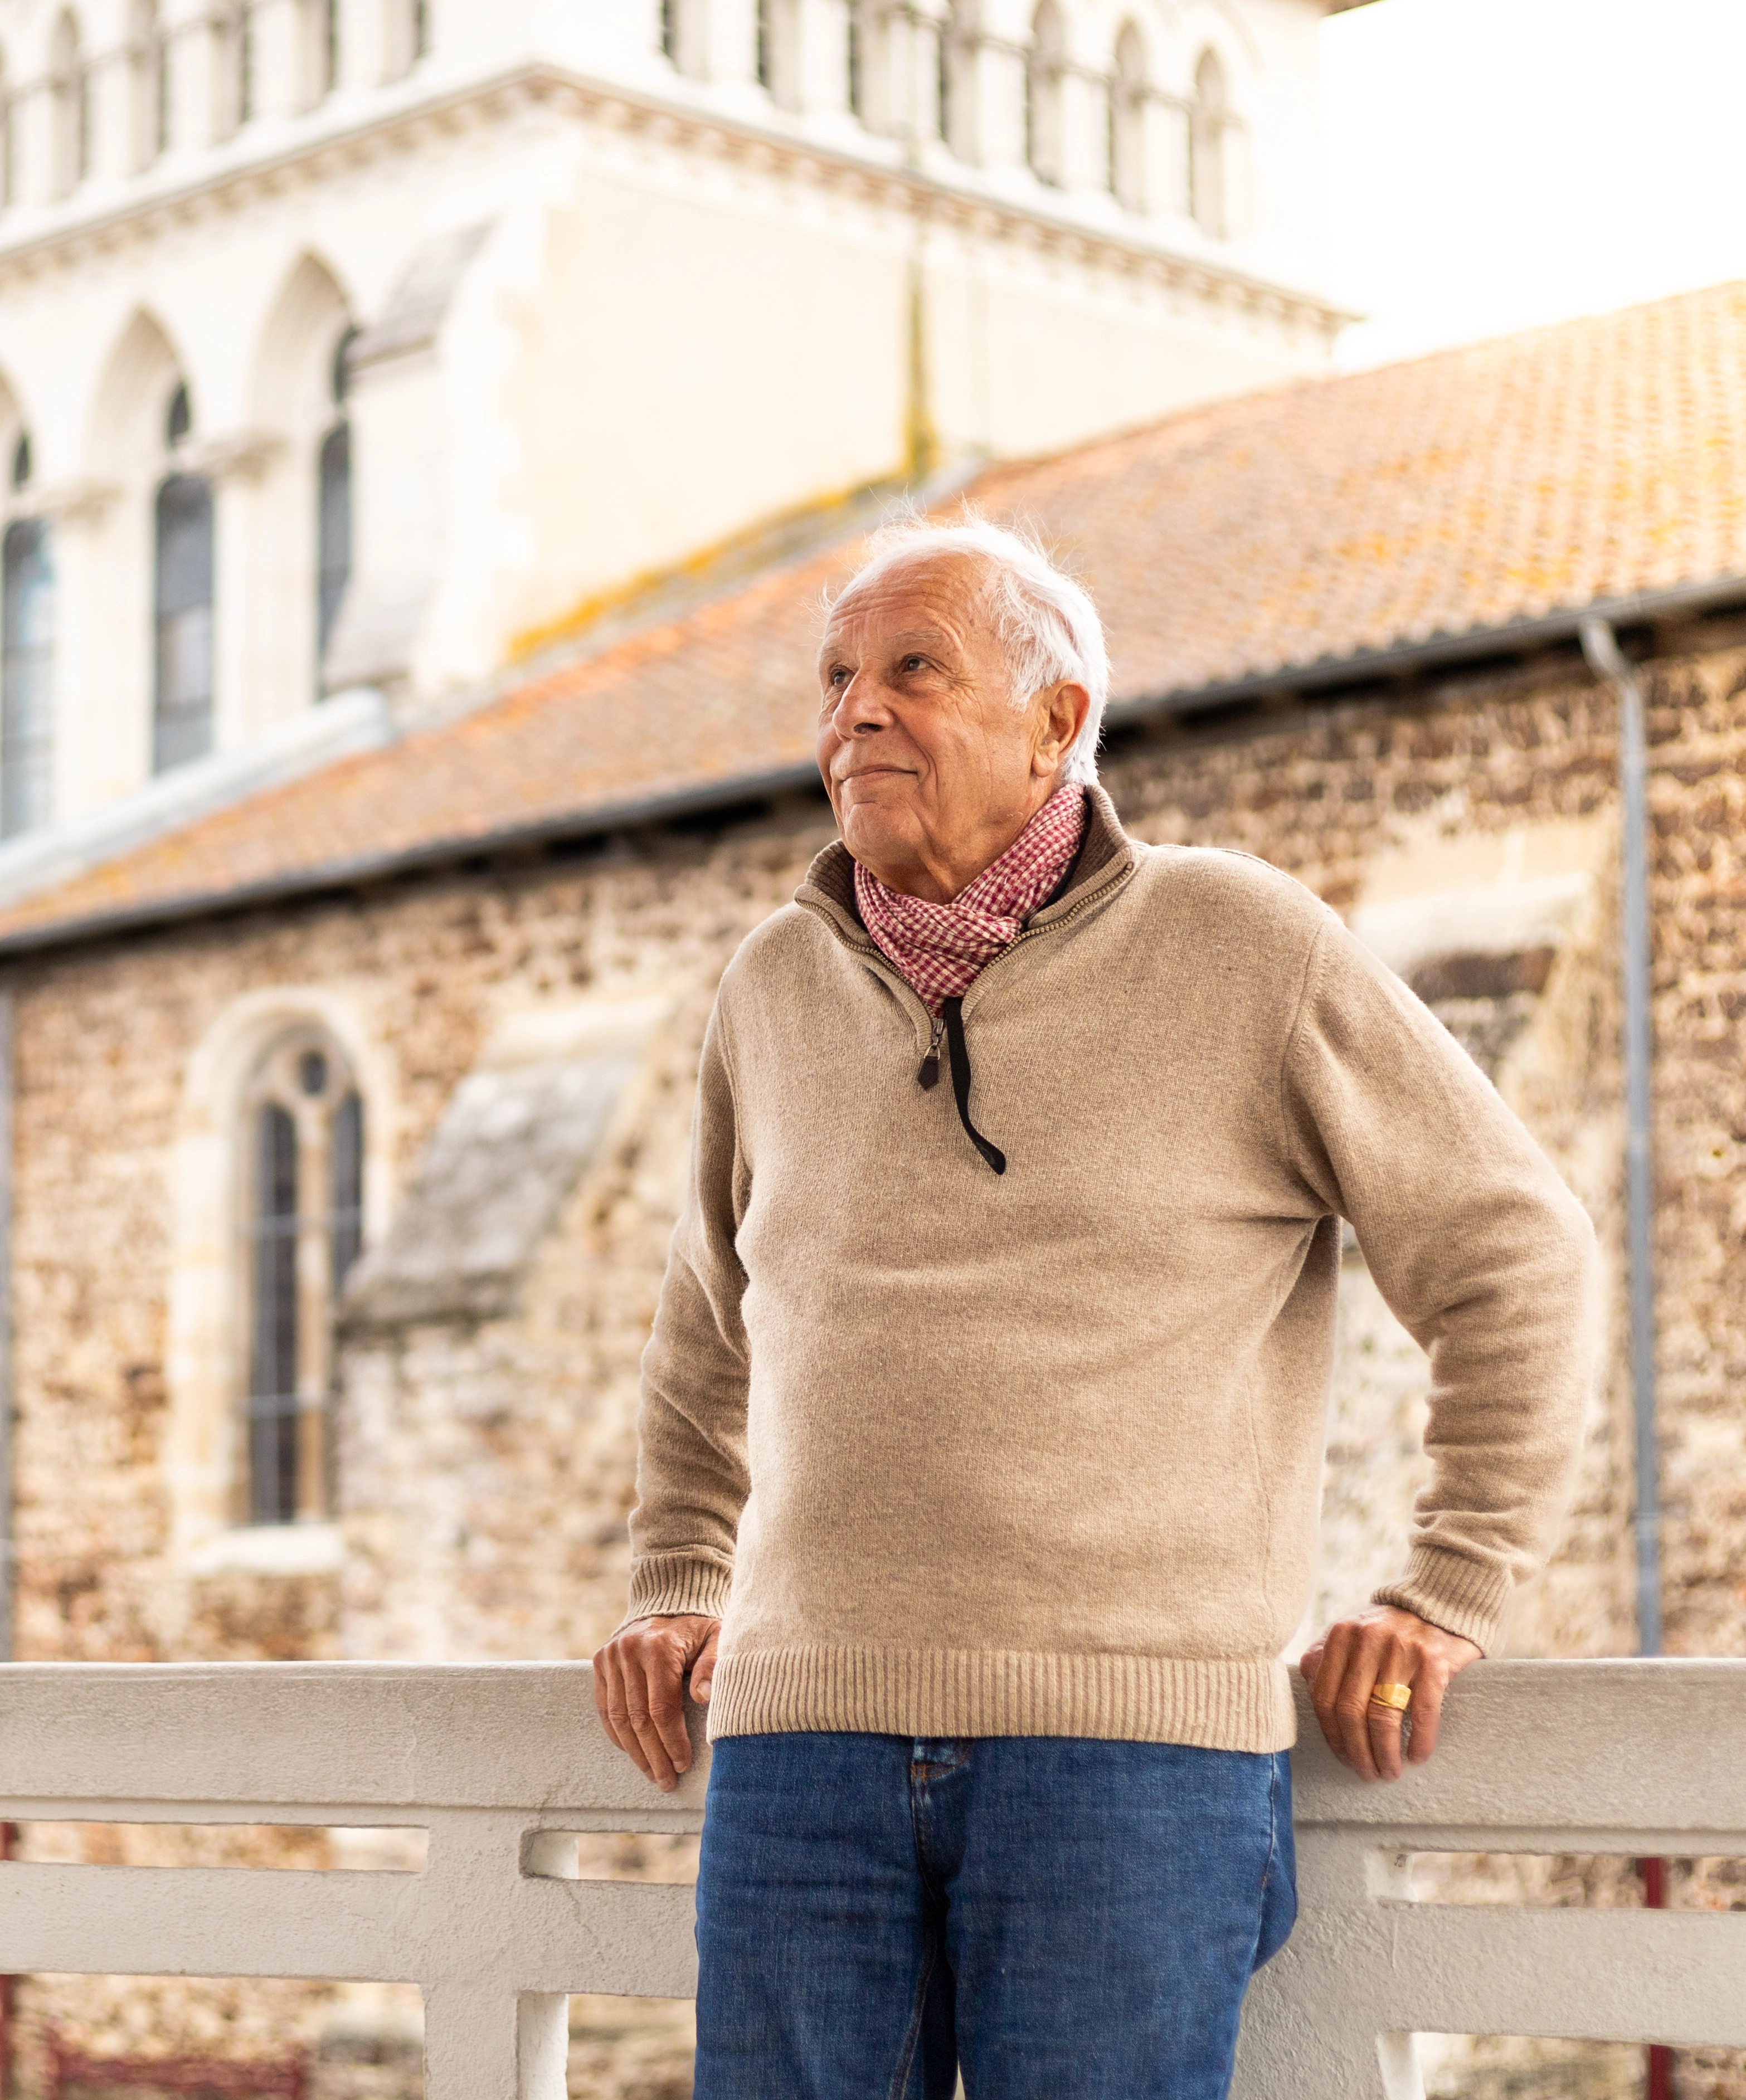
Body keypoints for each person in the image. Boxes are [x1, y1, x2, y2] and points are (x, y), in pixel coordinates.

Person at [593, 516, 1597, 2099]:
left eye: (911, 669)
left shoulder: (1242, 944)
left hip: (1128, 1753)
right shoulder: (771, 982)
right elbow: (709, 1318)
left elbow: (1513, 1251)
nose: (853, 712)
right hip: (797, 1748)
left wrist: (1447, 1583)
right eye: (835, 677)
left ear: (1058, 719)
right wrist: (669, 1575)